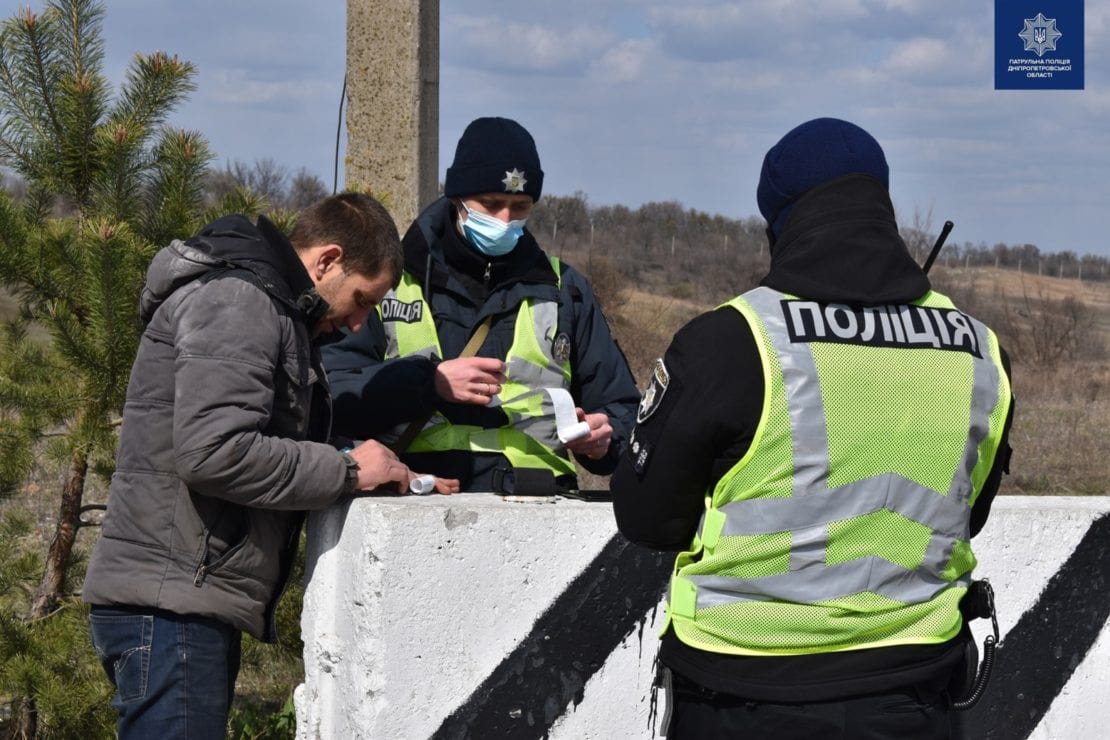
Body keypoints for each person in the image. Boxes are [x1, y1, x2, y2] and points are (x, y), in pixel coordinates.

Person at [611, 118, 1014, 739]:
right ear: (882, 209)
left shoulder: (731, 341)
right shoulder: (980, 350)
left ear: (779, 223)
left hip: (745, 694)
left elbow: (648, 520)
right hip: (915, 690)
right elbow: (967, 510)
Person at [83, 193, 455, 738]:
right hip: (171, 604)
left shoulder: (268, 307)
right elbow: (215, 453)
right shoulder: (242, 303)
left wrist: (383, 468)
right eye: (361, 299)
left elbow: (254, 439)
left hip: (178, 598)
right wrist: (348, 469)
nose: (358, 325)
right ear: (327, 260)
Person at [322, 117, 640, 493]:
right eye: (491, 204)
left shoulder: (564, 290)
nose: (505, 220)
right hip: (415, 500)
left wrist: (605, 441)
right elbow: (332, 397)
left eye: (520, 207)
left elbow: (624, 410)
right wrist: (429, 384)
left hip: (541, 507)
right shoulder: (390, 282)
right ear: (457, 197)